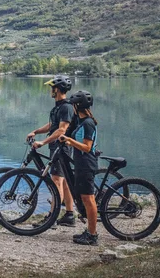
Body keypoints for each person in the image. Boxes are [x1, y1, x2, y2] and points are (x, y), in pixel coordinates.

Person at [26, 75, 76, 227]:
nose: (50, 90)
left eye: (52, 87)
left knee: (56, 181)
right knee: (65, 181)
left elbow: (61, 130)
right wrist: (36, 131)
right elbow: (51, 126)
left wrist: (43, 142)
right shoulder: (58, 106)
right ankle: (69, 214)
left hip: (62, 148)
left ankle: (52, 218)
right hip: (57, 147)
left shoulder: (67, 107)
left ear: (58, 89)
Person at [60, 90, 99, 245]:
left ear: (77, 105)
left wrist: (70, 141)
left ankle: (92, 235)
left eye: (73, 104)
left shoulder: (88, 123)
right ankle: (89, 231)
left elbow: (87, 147)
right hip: (81, 163)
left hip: (86, 164)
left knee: (89, 200)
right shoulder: (81, 121)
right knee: (85, 198)